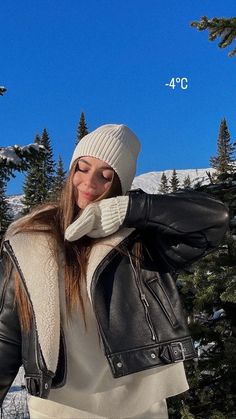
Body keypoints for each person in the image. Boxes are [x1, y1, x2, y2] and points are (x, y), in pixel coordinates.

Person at [0, 124, 229, 419]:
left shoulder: (140, 240)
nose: (89, 183)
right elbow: (6, 334)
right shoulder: (28, 241)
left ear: (120, 185)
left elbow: (215, 220)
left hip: (138, 404)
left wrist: (132, 209)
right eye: (82, 168)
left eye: (106, 176)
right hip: (58, 407)